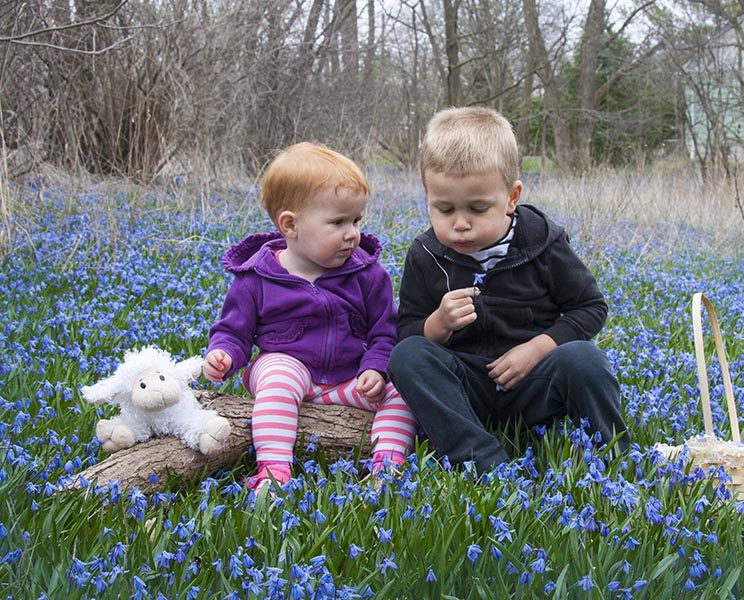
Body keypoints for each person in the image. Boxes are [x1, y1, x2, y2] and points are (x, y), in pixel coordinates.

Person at [387, 107, 628, 474]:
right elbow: (407, 331)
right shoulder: (426, 255)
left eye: (478, 208)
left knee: (585, 358)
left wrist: (537, 349)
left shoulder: (543, 243)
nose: (460, 224)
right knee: (408, 356)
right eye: (444, 209)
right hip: (464, 390)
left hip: (533, 383)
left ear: (512, 197)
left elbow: (590, 307)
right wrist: (438, 324)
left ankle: (614, 464)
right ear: (427, 195)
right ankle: (484, 462)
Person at [204, 142, 417, 493]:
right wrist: (223, 354)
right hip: (289, 372)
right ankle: (274, 470)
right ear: (290, 225)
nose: (352, 233)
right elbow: (233, 332)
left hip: (349, 380)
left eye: (356, 220)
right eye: (338, 222)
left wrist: (375, 369)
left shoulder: (368, 274)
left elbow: (384, 332)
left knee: (403, 391)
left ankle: (387, 465)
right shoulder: (255, 279)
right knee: (279, 375)